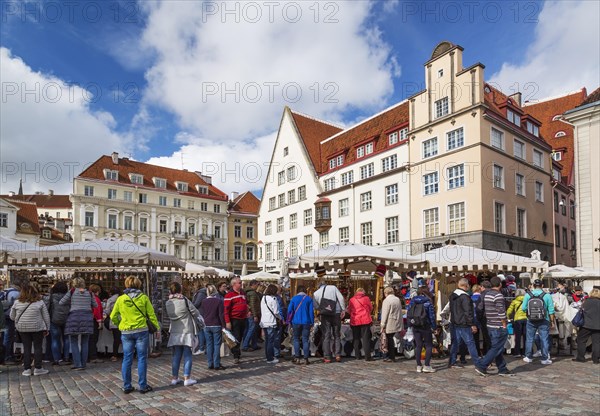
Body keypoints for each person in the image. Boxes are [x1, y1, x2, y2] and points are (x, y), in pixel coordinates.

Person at [110, 276, 159, 394]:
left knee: (127, 358)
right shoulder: (143, 298)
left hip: (126, 331)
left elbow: (113, 316)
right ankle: (142, 385)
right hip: (141, 330)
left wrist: (120, 324)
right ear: (138, 285)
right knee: (142, 358)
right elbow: (151, 315)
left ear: (126, 285)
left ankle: (127, 386)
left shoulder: (121, 299)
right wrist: (156, 328)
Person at [475, 277, 514, 377]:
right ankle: (482, 365)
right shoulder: (498, 296)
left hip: (490, 324)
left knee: (497, 347)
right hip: (498, 325)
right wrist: (504, 324)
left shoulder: (487, 295)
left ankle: (502, 368)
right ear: (500, 284)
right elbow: (501, 311)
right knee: (496, 348)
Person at [166, 282, 201, 386]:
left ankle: (174, 378)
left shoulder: (168, 302)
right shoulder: (184, 300)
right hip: (186, 329)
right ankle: (187, 378)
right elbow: (195, 312)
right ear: (180, 290)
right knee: (187, 354)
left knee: (176, 355)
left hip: (175, 331)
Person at [10, 285, 50, 376]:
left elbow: (12, 317)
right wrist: (47, 328)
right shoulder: (40, 302)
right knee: (38, 347)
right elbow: (46, 316)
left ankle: (27, 369)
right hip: (37, 327)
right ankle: (38, 368)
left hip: (22, 328)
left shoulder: (17, 302)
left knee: (26, 347)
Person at [60, 278, 97, 371]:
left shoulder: (72, 292)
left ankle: (77, 364)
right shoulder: (90, 293)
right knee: (85, 341)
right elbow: (95, 305)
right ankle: (83, 363)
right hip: (87, 317)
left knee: (73, 341)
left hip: (74, 317)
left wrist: (71, 303)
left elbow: (61, 302)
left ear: (74, 284)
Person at [313, 266, 346, 363]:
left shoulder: (316, 293)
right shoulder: (333, 288)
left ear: (319, 285)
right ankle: (338, 355)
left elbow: (315, 305)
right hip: (336, 313)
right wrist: (343, 309)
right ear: (325, 283)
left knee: (326, 335)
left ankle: (327, 356)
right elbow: (341, 299)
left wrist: (322, 309)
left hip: (325, 315)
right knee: (337, 335)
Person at [448, 278, 480, 369]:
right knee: (470, 343)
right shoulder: (465, 297)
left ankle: (452, 361)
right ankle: (478, 364)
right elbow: (468, 312)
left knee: (455, 343)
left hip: (454, 322)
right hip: (464, 323)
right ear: (466, 286)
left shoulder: (452, 295)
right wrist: (472, 324)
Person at [522, 279, 555, 365]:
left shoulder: (527, 295)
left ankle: (528, 357)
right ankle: (544, 358)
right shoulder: (547, 295)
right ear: (542, 285)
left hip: (531, 320)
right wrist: (552, 321)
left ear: (533, 285)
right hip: (544, 319)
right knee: (544, 339)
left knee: (529, 339)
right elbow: (551, 310)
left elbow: (523, 308)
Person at [407, 286, 437, 373]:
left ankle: (418, 365)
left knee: (418, 345)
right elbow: (431, 316)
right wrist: (434, 327)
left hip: (415, 325)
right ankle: (427, 365)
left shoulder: (413, 301)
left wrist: (410, 324)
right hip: (425, 325)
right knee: (428, 345)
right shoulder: (428, 302)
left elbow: (409, 313)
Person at [44, 281, 70, 365]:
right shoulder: (69, 297)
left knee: (55, 340)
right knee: (66, 339)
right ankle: (66, 357)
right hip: (66, 319)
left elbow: (47, 308)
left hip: (54, 320)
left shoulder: (51, 297)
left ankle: (57, 359)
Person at [200, 284, 226, 370]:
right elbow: (221, 315)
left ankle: (210, 363)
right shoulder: (219, 301)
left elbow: (203, 313)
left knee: (209, 345)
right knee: (217, 345)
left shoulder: (204, 301)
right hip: (216, 324)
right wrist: (223, 326)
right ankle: (216, 363)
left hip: (206, 324)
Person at [223, 276, 248, 365]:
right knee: (235, 337)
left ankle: (237, 351)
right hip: (234, 319)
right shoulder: (229, 295)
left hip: (243, 318)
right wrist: (228, 321)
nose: (241, 284)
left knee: (240, 336)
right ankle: (236, 355)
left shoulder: (243, 293)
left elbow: (246, 304)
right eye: (240, 283)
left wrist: (247, 312)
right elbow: (226, 310)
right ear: (234, 284)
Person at [287, 285, 314, 365]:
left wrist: (289, 320)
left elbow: (289, 310)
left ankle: (297, 357)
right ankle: (306, 358)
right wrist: (312, 322)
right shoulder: (309, 299)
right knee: (305, 339)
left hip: (296, 321)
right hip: (306, 321)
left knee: (296, 339)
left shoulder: (294, 299)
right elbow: (311, 312)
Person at [573, 288, 600, 364]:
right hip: (598, 326)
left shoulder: (586, 301)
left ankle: (581, 357)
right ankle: (596, 359)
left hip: (586, 325)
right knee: (596, 342)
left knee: (581, 340)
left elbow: (581, 310)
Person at [347, 288, 373, 361]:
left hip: (355, 320)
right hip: (365, 320)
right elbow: (371, 308)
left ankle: (357, 355)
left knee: (356, 338)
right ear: (363, 292)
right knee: (366, 339)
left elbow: (349, 310)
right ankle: (367, 356)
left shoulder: (352, 299)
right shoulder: (366, 298)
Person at [260, 284, 282, 364]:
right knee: (270, 341)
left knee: (267, 340)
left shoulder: (263, 298)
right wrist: (280, 318)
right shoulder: (273, 299)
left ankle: (268, 356)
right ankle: (270, 358)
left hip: (264, 321)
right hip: (271, 321)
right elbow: (276, 312)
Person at [380, 286, 403, 362]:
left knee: (388, 340)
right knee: (391, 339)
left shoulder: (387, 300)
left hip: (389, 322)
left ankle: (390, 356)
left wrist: (382, 324)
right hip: (396, 321)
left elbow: (385, 313)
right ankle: (392, 356)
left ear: (386, 293)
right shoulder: (397, 299)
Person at [2, 281, 22, 365]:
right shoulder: (16, 293)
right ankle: (7, 357)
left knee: (5, 337)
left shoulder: (6, 290)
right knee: (8, 337)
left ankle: (6, 356)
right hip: (9, 317)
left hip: (3, 315)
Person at [507, 289, 527, 357]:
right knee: (526, 337)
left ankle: (517, 352)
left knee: (517, 337)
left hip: (517, 320)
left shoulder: (514, 301)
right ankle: (525, 352)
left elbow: (509, 311)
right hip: (526, 319)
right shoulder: (527, 300)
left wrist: (507, 317)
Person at [242, 280, 261, 352]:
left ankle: (254, 344)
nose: (258, 286)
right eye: (257, 284)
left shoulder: (247, 292)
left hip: (248, 313)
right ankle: (245, 345)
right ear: (253, 284)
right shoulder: (252, 293)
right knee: (251, 329)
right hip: (252, 314)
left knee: (250, 329)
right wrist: (255, 315)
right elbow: (252, 304)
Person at [104, 287, 122, 362]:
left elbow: (107, 311)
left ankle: (115, 355)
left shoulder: (110, 300)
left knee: (116, 339)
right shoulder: (123, 298)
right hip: (124, 320)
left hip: (115, 320)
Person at [88, 284, 104, 364]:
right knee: (93, 339)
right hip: (93, 321)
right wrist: (100, 322)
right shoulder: (96, 299)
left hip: (87, 320)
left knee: (89, 339)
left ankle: (88, 356)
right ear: (97, 291)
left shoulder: (88, 298)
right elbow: (97, 311)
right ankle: (93, 356)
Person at [191, 281, 207, 355]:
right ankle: (203, 347)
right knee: (202, 331)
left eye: (193, 285)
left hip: (200, 313)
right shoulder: (202, 292)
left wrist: (191, 307)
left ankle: (202, 348)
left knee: (201, 331)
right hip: (202, 313)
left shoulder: (200, 293)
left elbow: (197, 303)